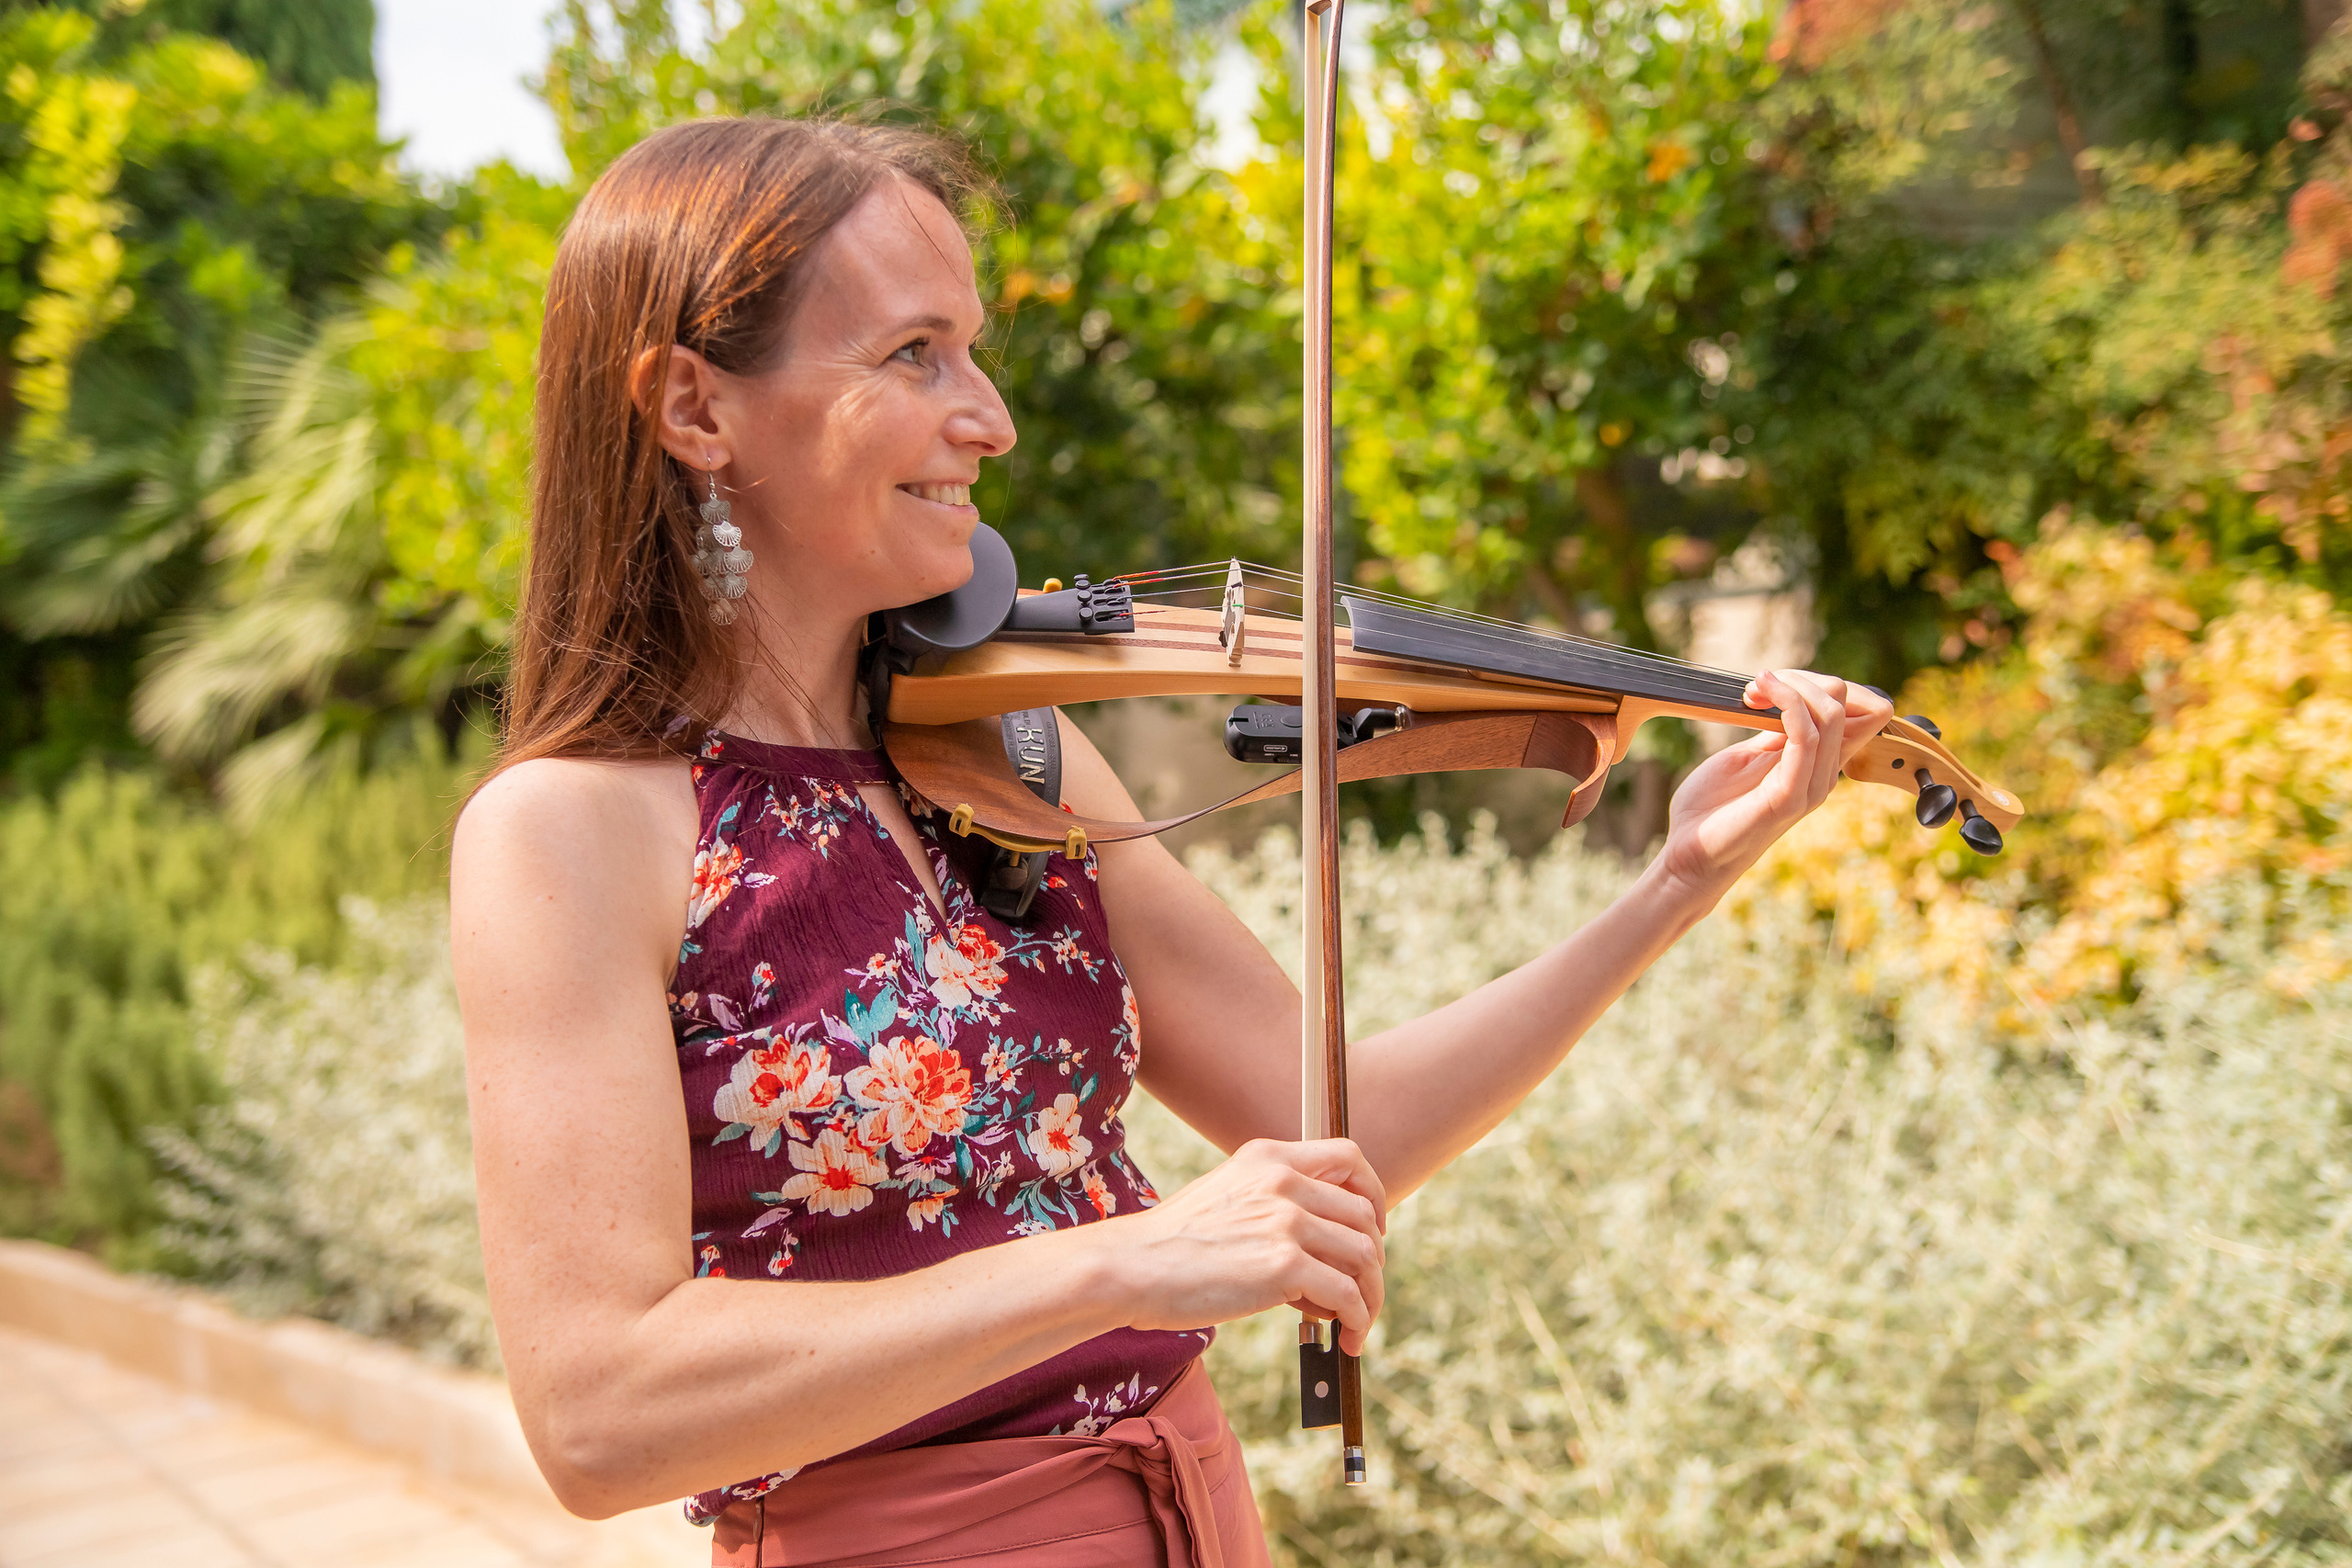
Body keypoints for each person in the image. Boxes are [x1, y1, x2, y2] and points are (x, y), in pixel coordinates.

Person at [449, 114, 1892, 1568]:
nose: (991, 418)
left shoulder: (1006, 756)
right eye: (914, 355)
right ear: (693, 407)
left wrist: (1673, 884)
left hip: (1190, 1522)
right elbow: (601, 1416)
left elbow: (1340, 1131)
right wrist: (1124, 1262)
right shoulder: (573, 833)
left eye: (974, 351)